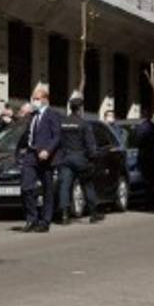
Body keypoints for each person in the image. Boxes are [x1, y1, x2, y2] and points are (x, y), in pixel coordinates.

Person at [18, 85, 61, 232]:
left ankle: (45, 221)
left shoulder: (52, 114)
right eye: (33, 98)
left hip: (46, 156)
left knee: (47, 189)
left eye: (37, 98)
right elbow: (24, 133)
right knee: (26, 187)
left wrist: (48, 150)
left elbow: (57, 136)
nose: (34, 101)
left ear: (45, 99)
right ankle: (32, 218)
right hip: (31, 154)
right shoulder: (32, 115)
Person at [56, 96, 103, 224]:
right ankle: (93, 213)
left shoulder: (62, 123)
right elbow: (90, 144)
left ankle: (64, 215)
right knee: (87, 184)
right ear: (80, 109)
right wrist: (93, 158)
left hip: (65, 158)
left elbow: (58, 141)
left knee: (65, 186)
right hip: (80, 158)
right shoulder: (84, 124)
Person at [135, 113, 154, 209]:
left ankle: (148, 203)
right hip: (153, 157)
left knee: (146, 181)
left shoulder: (141, 128)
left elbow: (138, 141)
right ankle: (152, 202)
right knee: (152, 180)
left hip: (145, 157)